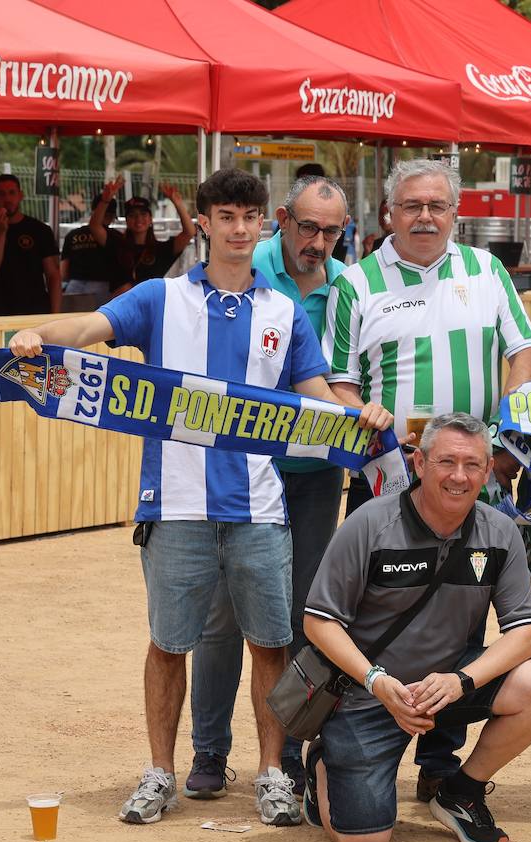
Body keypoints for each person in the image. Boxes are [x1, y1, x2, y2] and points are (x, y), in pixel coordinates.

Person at [5, 168, 392, 828]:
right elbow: (92, 326)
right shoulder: (160, 298)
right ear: (204, 225)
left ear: (260, 224)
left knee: (271, 646)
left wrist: (362, 416)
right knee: (168, 644)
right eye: (227, 217)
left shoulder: (284, 312)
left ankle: (272, 774)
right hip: (174, 504)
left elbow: (317, 393)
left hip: (259, 510)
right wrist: (38, 336)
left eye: (249, 218)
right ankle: (161, 772)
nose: (240, 230)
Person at [323, 157, 531, 800]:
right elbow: (341, 381)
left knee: (465, 613)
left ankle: (442, 762)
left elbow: (523, 351)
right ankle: (361, 734)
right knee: (374, 611)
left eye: (437, 206)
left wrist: (505, 426)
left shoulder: (487, 270)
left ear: (455, 213)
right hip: (388, 481)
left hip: (472, 479)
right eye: (411, 206)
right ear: (388, 213)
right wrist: (361, 416)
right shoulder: (356, 283)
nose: (425, 217)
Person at [302, 412, 531, 842]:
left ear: (487, 470)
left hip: (444, 687)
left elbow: (524, 633)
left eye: (472, 464)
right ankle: (324, 763)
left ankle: (461, 792)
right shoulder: (369, 523)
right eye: (446, 462)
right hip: (370, 691)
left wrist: (460, 681)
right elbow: (319, 620)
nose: (458, 476)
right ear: (420, 465)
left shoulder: (500, 532)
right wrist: (376, 682)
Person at [184, 174, 354, 802]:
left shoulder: (348, 283)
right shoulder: (239, 264)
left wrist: (359, 419)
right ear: (280, 219)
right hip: (241, 468)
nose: (317, 241)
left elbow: (335, 378)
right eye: (306, 226)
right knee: (220, 619)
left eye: (331, 231)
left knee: (302, 617)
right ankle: (209, 752)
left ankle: (288, 754)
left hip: (313, 475)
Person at [0, 174, 61, 316]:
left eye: (12, 193)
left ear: (20, 196)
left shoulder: (40, 230)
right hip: (0, 312)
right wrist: (1, 232)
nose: (7, 199)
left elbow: (53, 275)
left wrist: (55, 315)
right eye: (1, 194)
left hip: (36, 310)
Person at [91, 180, 196, 294]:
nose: (138, 219)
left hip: (150, 309)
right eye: (132, 215)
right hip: (119, 309)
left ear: (150, 219)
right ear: (127, 221)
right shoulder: (116, 243)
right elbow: (95, 226)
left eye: (143, 214)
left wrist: (178, 203)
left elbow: (189, 232)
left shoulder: (161, 250)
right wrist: (105, 201)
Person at [60, 194, 121, 300]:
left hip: (74, 285)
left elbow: (63, 271)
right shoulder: (116, 236)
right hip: (103, 286)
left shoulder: (72, 235)